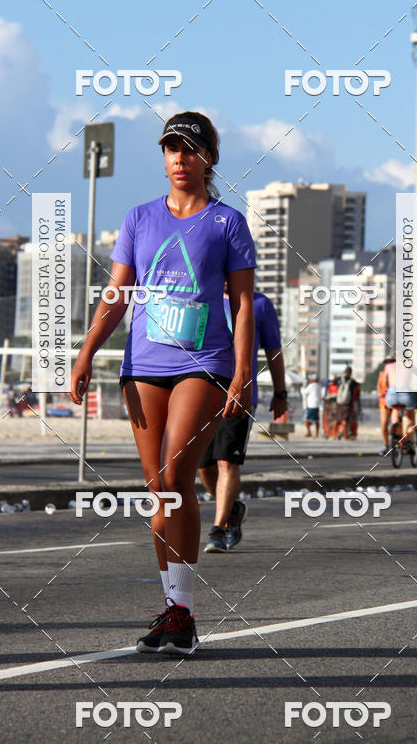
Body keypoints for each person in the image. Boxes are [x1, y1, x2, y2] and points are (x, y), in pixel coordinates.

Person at [69, 111, 256, 655]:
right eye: (171, 150)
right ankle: (178, 612)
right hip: (143, 364)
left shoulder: (227, 223)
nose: (179, 159)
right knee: (163, 491)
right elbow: (117, 293)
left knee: (175, 472)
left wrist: (243, 372)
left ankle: (182, 612)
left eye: (190, 150)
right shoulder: (138, 218)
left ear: (209, 159)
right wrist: (86, 351)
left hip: (204, 362)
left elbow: (243, 305)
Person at [199, 287, 287, 553]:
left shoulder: (260, 304)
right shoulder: (203, 296)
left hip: (240, 395)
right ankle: (233, 508)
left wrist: (280, 392)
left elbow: (273, 351)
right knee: (204, 466)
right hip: (203, 393)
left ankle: (218, 528)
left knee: (227, 460)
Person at [384, 359, 417, 442]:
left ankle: (396, 438)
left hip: (391, 395)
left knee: (395, 412)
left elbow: (385, 382)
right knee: (410, 419)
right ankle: (409, 441)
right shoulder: (409, 365)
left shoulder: (388, 366)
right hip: (405, 394)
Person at [334, 366, 360, 440]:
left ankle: (334, 435)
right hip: (348, 404)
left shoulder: (339, 379)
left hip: (339, 402)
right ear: (351, 373)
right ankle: (345, 437)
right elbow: (357, 387)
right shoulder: (352, 381)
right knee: (345, 421)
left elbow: (333, 382)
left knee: (337, 419)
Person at [377, 357, 394, 452]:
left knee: (396, 424)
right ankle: (386, 445)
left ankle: (396, 446)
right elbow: (379, 388)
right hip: (384, 402)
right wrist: (382, 392)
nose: (389, 364)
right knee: (384, 425)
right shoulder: (382, 374)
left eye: (391, 362)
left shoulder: (396, 374)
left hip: (396, 401)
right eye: (387, 363)